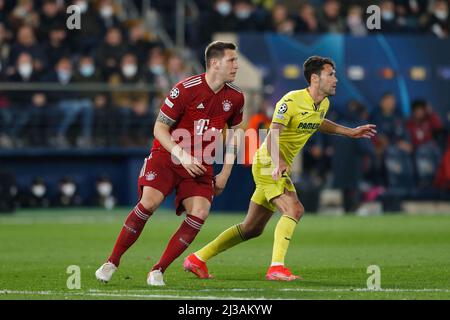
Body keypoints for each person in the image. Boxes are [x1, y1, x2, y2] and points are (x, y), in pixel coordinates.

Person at [183, 56, 376, 281]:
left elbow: (318, 122)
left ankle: (197, 259)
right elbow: (273, 133)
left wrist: (350, 132)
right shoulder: (291, 100)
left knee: (251, 228)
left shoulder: (323, 104)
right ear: (315, 78)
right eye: (330, 74)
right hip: (268, 163)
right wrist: (279, 161)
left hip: (275, 166)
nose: (336, 79)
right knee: (294, 210)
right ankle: (276, 268)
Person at [95, 41, 245, 286]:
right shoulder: (185, 89)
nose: (236, 65)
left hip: (200, 164)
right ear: (215, 63)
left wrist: (226, 172)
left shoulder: (236, 97)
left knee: (200, 212)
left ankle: (158, 270)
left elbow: (237, 133)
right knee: (149, 203)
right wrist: (182, 155)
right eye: (232, 60)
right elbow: (159, 128)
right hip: (169, 156)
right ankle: (112, 261)